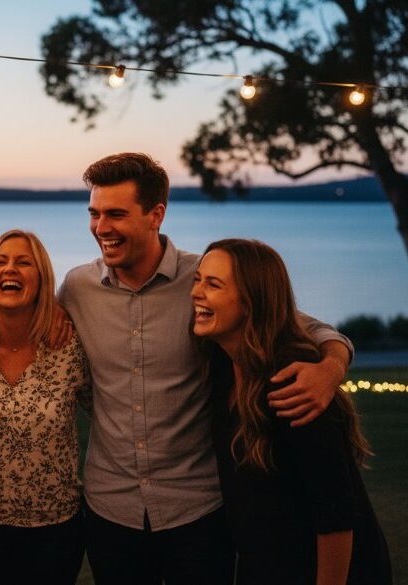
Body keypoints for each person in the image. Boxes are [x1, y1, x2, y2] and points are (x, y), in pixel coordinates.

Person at [58, 153, 354, 584]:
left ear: (156, 214)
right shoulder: (77, 287)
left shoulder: (207, 280)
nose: (101, 227)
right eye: (95, 213)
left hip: (199, 511)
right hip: (110, 509)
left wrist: (330, 367)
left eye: (116, 214)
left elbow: (304, 325)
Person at [192, 238, 391, 585]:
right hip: (267, 564)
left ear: (251, 302)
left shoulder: (294, 380)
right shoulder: (224, 366)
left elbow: (336, 512)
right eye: (197, 279)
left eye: (214, 284)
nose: (196, 293)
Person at [0, 229, 90, 585]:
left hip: (52, 529)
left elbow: (104, 408)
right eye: (1, 261)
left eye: (24, 263)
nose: (10, 269)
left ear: (42, 279)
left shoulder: (70, 345)